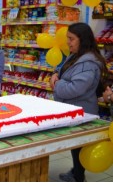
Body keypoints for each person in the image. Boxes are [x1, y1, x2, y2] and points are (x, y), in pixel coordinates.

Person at [50, 22, 108, 182]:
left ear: (82, 39)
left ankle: (78, 176)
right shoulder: (76, 55)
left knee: (79, 147)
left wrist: (57, 83)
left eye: (71, 38)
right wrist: (55, 73)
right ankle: (76, 172)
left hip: (82, 112)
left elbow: (74, 89)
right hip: (73, 110)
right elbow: (64, 70)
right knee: (76, 147)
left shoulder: (88, 63)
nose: (68, 42)